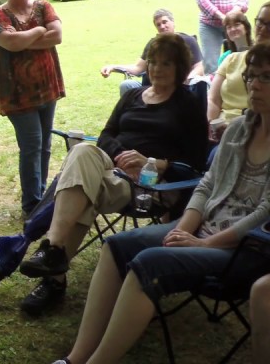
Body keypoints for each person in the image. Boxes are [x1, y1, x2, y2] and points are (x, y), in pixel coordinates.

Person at [48, 43, 270, 364]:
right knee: (116, 245)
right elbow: (207, 184)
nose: (255, 85)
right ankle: (76, 357)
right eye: (251, 77)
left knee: (150, 263)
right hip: (200, 228)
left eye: (266, 77)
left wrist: (204, 243)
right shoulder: (238, 130)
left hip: (244, 249)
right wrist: (181, 228)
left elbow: (265, 213)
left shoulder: (187, 107)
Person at [17, 33, 209, 316]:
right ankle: (54, 248)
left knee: (84, 191)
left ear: (179, 67)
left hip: (152, 187)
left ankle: (53, 277)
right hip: (113, 170)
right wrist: (121, 155)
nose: (156, 69)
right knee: (82, 151)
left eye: (165, 64)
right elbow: (107, 134)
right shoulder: (133, 95)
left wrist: (153, 162)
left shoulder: (188, 104)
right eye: (153, 62)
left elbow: (196, 160)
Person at [0, 0, 64, 215]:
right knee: (32, 144)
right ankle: (31, 204)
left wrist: (25, 39)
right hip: (17, 94)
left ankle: (40, 195)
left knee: (45, 145)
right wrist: (40, 29)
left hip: (47, 88)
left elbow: (57, 36)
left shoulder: (43, 6)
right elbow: (9, 41)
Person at [98, 8, 202, 96]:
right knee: (126, 85)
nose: (162, 26)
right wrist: (113, 67)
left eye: (165, 22)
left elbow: (200, 66)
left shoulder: (188, 41)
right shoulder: (153, 44)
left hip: (179, 87)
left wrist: (187, 79)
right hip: (150, 88)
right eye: (158, 25)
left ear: (173, 22)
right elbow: (137, 68)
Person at [209, 3, 268, 142]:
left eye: (269, 25)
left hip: (251, 131)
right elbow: (213, 98)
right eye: (260, 22)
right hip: (222, 127)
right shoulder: (231, 58)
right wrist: (210, 124)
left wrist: (233, 127)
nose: (262, 29)